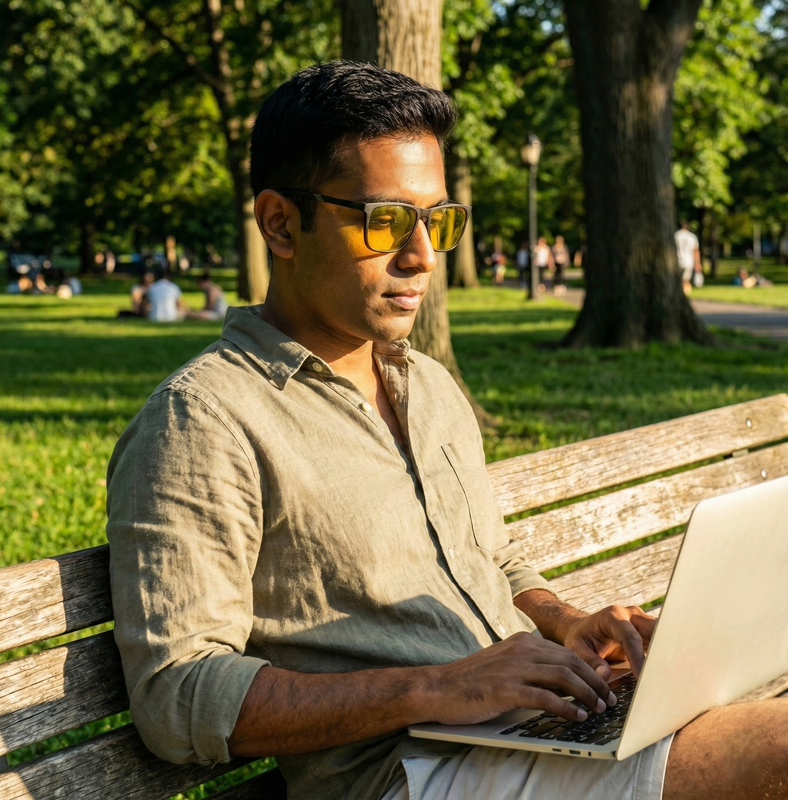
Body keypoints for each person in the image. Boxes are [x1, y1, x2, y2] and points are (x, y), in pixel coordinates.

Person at [106, 62, 788, 800]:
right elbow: (176, 694)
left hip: (529, 730)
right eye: (385, 221)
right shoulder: (203, 421)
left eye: (437, 221)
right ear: (280, 223)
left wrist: (564, 623)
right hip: (410, 774)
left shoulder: (426, 385)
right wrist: (437, 688)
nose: (423, 256)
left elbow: (491, 558)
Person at [674, 222, 701, 295]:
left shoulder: (675, 235)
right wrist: (697, 263)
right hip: (688, 261)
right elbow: (695, 250)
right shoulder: (692, 236)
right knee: (686, 281)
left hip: (677, 261)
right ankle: (685, 294)